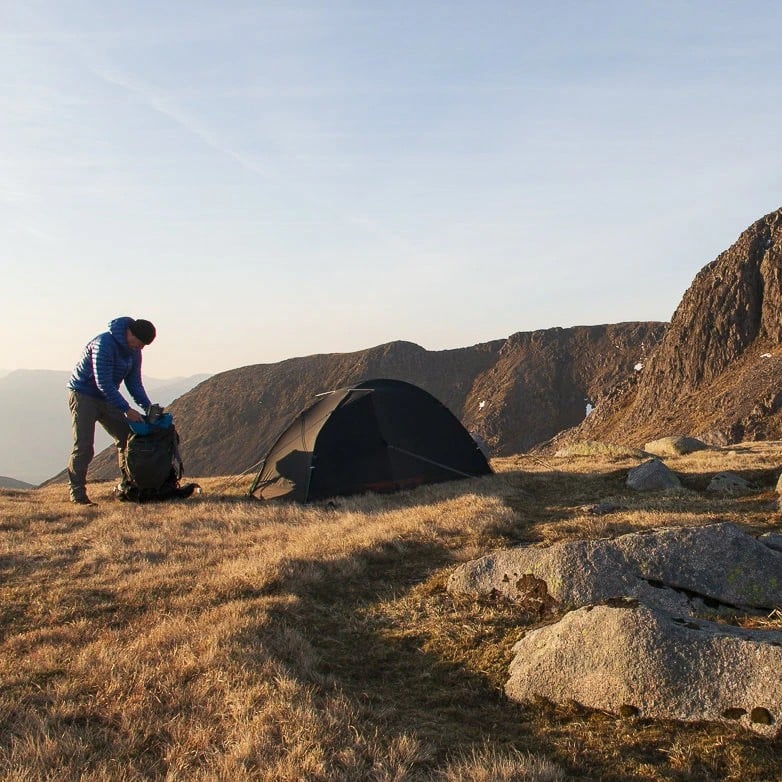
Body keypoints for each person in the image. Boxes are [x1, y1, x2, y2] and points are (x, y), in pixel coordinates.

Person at [66, 317, 157, 504]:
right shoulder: (104, 344)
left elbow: (134, 383)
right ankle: (78, 495)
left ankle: (129, 485)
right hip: (83, 394)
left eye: (143, 346)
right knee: (84, 446)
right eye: (139, 343)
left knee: (127, 438)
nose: (140, 348)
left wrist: (148, 407)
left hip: (107, 397)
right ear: (130, 333)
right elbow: (103, 383)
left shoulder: (134, 352)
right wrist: (126, 409)